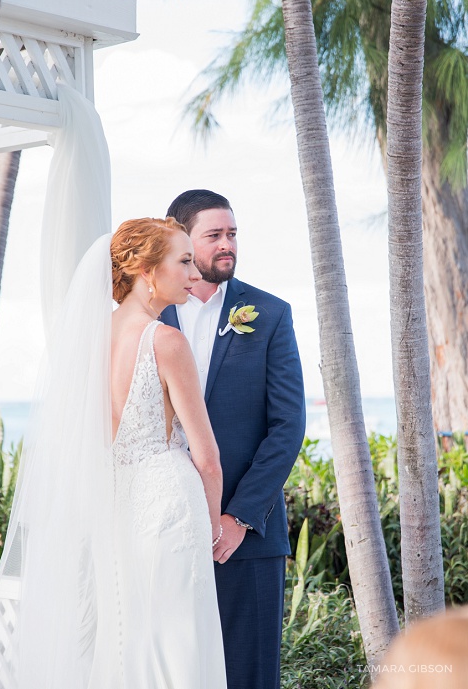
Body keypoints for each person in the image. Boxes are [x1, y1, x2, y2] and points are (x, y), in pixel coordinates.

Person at [0, 219, 228, 688]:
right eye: (183, 261)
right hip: (170, 514)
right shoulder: (167, 341)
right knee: (177, 647)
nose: (194, 272)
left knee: (123, 639)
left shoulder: (89, 340)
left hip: (113, 510)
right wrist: (211, 529)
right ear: (146, 270)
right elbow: (207, 457)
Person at [160, 190, 305, 689]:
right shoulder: (148, 319)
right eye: (215, 235)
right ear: (180, 238)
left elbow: (288, 426)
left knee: (250, 675)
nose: (228, 245)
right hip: (164, 529)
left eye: (233, 234)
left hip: (248, 538)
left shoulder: (270, 314)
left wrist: (239, 516)